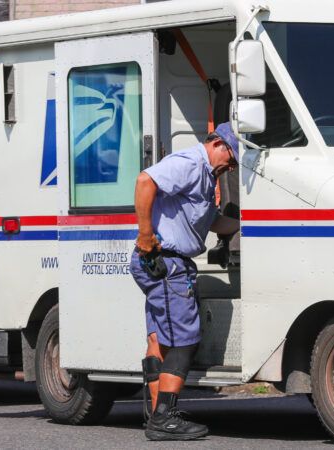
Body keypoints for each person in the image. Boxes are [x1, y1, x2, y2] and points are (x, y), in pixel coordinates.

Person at [131, 122, 240, 441]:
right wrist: (145, 234)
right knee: (185, 339)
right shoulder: (191, 163)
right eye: (231, 158)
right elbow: (144, 180)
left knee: (160, 340)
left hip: (163, 262)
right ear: (218, 143)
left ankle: (156, 414)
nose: (231, 166)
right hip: (165, 261)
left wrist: (251, 224)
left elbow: (214, 222)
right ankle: (164, 418)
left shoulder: (207, 178)